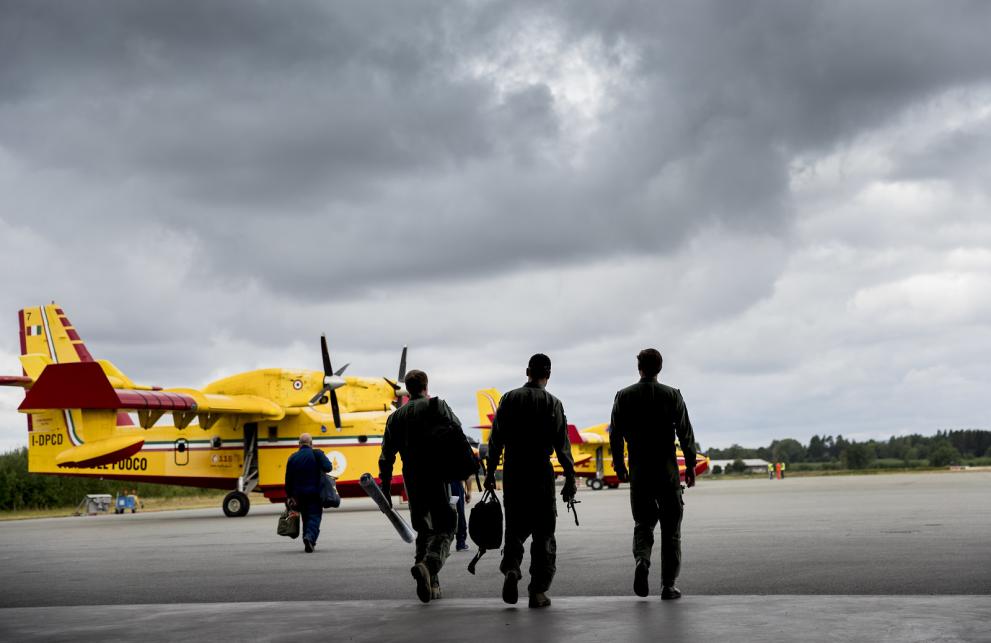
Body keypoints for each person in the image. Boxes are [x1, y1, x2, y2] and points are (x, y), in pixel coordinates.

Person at [484, 353, 576, 609]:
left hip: (514, 472)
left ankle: (512, 568)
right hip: (541, 473)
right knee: (544, 533)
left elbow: (495, 441)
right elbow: (562, 445)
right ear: (548, 374)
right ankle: (537, 592)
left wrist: (491, 473)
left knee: (514, 528)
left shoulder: (509, 398)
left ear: (527, 371)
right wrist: (570, 477)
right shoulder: (553, 403)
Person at [610, 348, 697, 600]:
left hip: (639, 470)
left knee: (643, 523)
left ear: (639, 367)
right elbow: (685, 432)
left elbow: (615, 435)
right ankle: (668, 585)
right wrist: (690, 465)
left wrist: (619, 466)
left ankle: (642, 561)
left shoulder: (623, 396)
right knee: (671, 529)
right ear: (659, 368)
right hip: (667, 471)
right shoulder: (672, 395)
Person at [379, 369, 461, 603]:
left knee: (424, 531)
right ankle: (428, 566)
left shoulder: (395, 417)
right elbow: (458, 434)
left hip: (412, 479)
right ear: (426, 385)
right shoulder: (438, 406)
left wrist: (385, 488)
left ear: (407, 388)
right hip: (437, 475)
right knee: (446, 526)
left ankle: (431, 583)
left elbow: (386, 457)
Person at [285, 433, 333, 553]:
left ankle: (308, 539)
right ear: (311, 443)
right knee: (315, 517)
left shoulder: (292, 457)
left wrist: (289, 496)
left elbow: (288, 479)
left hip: (298, 495)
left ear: (299, 444)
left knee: (305, 518)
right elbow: (328, 467)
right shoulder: (316, 454)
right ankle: (309, 538)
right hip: (315, 493)